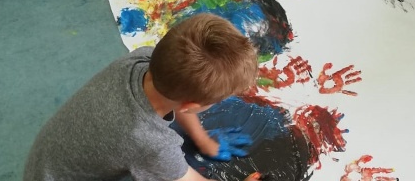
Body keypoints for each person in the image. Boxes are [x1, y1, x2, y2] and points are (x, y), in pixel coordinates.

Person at [23, 13, 263, 181]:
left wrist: (202, 140)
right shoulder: (151, 143)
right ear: (192, 105)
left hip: (49, 157)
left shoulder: (143, 59)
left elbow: (177, 98)